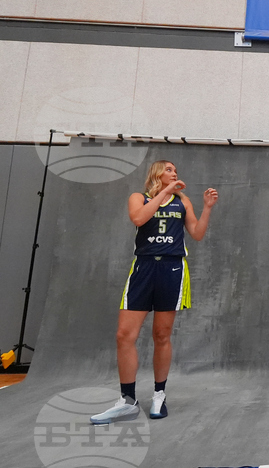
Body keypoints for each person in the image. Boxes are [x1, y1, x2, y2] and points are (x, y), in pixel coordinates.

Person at [91, 160, 219, 424]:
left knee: (161, 334)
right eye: (169, 170)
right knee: (124, 335)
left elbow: (196, 233)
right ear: (157, 174)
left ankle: (159, 394)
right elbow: (139, 218)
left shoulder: (182, 202)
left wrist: (207, 208)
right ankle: (128, 400)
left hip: (172, 268)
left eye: (176, 170)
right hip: (144, 267)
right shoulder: (138, 197)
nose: (175, 173)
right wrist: (165, 192)